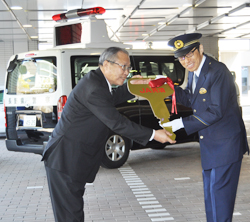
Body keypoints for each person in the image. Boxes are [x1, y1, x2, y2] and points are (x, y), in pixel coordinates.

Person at [41, 46, 175, 222]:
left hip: (72, 158)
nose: (126, 72)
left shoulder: (98, 82)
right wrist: (153, 135)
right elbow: (117, 122)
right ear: (106, 64)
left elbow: (111, 97)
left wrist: (133, 87)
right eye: (123, 67)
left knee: (72, 213)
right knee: (70, 216)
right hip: (65, 160)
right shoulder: (94, 88)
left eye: (129, 68)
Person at [163, 33, 249, 222]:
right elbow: (191, 97)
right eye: (181, 58)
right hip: (211, 144)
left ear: (200, 49)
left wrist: (180, 124)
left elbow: (215, 111)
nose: (186, 61)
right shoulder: (196, 72)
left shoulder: (217, 71)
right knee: (211, 198)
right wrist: (168, 88)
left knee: (220, 199)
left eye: (189, 54)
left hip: (225, 145)